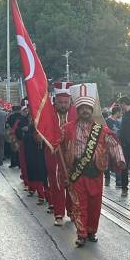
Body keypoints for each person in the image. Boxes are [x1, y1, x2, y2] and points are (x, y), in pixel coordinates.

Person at [62, 94, 125, 247]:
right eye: (82, 108)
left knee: (94, 204)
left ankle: (91, 231)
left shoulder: (102, 130)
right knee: (78, 204)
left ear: (92, 110)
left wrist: (120, 159)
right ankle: (81, 233)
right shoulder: (68, 128)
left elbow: (113, 144)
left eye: (87, 108)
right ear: (78, 110)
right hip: (76, 172)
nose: (85, 111)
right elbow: (57, 141)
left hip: (96, 172)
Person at [45, 84, 75, 226]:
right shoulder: (48, 113)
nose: (63, 105)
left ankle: (71, 210)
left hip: (72, 154)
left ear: (70, 102)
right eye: (60, 102)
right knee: (56, 183)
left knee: (72, 183)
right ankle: (58, 213)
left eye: (66, 102)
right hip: (53, 153)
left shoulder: (76, 113)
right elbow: (41, 131)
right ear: (55, 101)